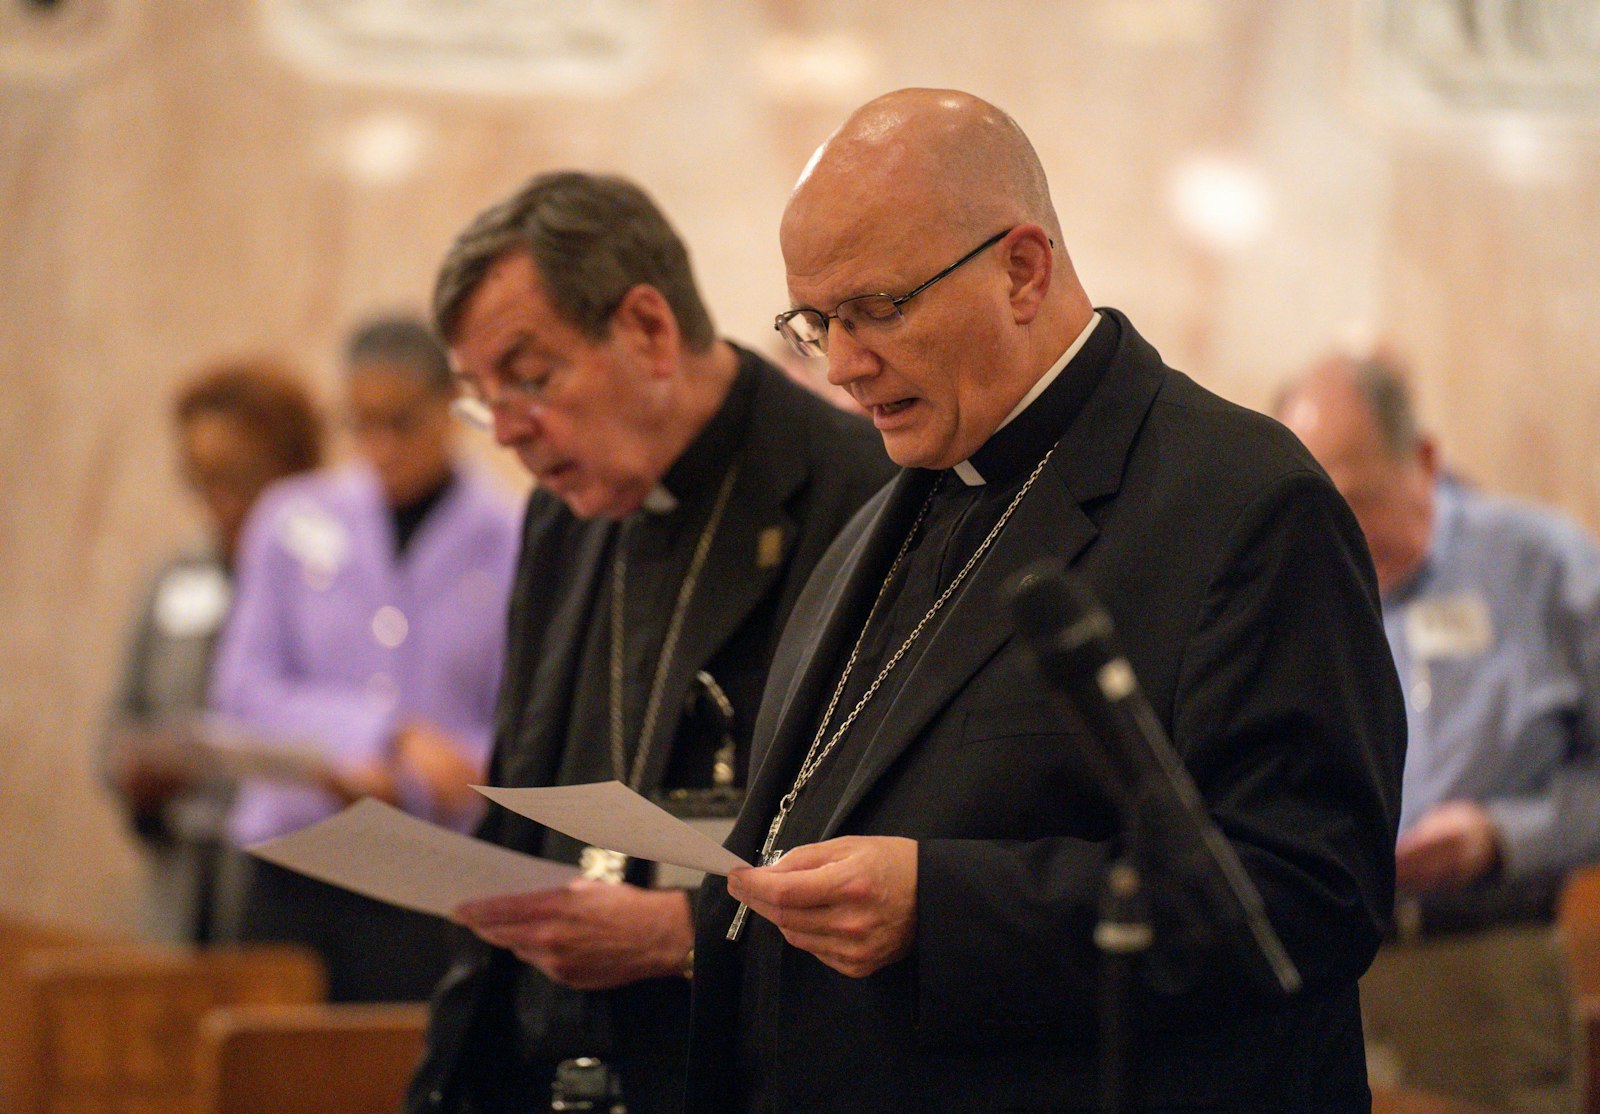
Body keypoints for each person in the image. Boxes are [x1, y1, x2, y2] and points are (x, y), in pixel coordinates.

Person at [685, 88, 1406, 1113]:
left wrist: (942, 908)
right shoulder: (879, 517)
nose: (843, 366)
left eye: (879, 308)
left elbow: (1305, 896)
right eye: (817, 321)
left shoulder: (1244, 501)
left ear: (1022, 270)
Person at [403, 171, 894, 1114]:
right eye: (481, 398)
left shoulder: (860, 496)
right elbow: (521, 788)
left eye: (530, 378)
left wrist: (682, 931)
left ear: (648, 329)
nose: (508, 432)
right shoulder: (566, 514)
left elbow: (896, 857)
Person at [1277, 352, 1600, 1114]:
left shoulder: (1542, 564)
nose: (1338, 533)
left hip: (1484, 971)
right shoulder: (1294, 576)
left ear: (1422, 458)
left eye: (1356, 501)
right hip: (1322, 976)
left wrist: (1502, 836)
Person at [209, 315, 521, 1001]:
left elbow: (520, 715)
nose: (378, 447)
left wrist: (456, 763)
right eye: (359, 423)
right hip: (293, 854)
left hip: (433, 864)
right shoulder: (291, 518)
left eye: (400, 423)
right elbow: (242, 688)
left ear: (449, 407)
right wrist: (381, 737)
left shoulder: (510, 534)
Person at [103, 361, 323, 944]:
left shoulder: (329, 583)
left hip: (295, 892)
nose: (218, 503)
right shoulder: (177, 576)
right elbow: (120, 722)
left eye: (239, 478)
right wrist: (136, 769)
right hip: (183, 889)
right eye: (201, 480)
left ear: (294, 469)